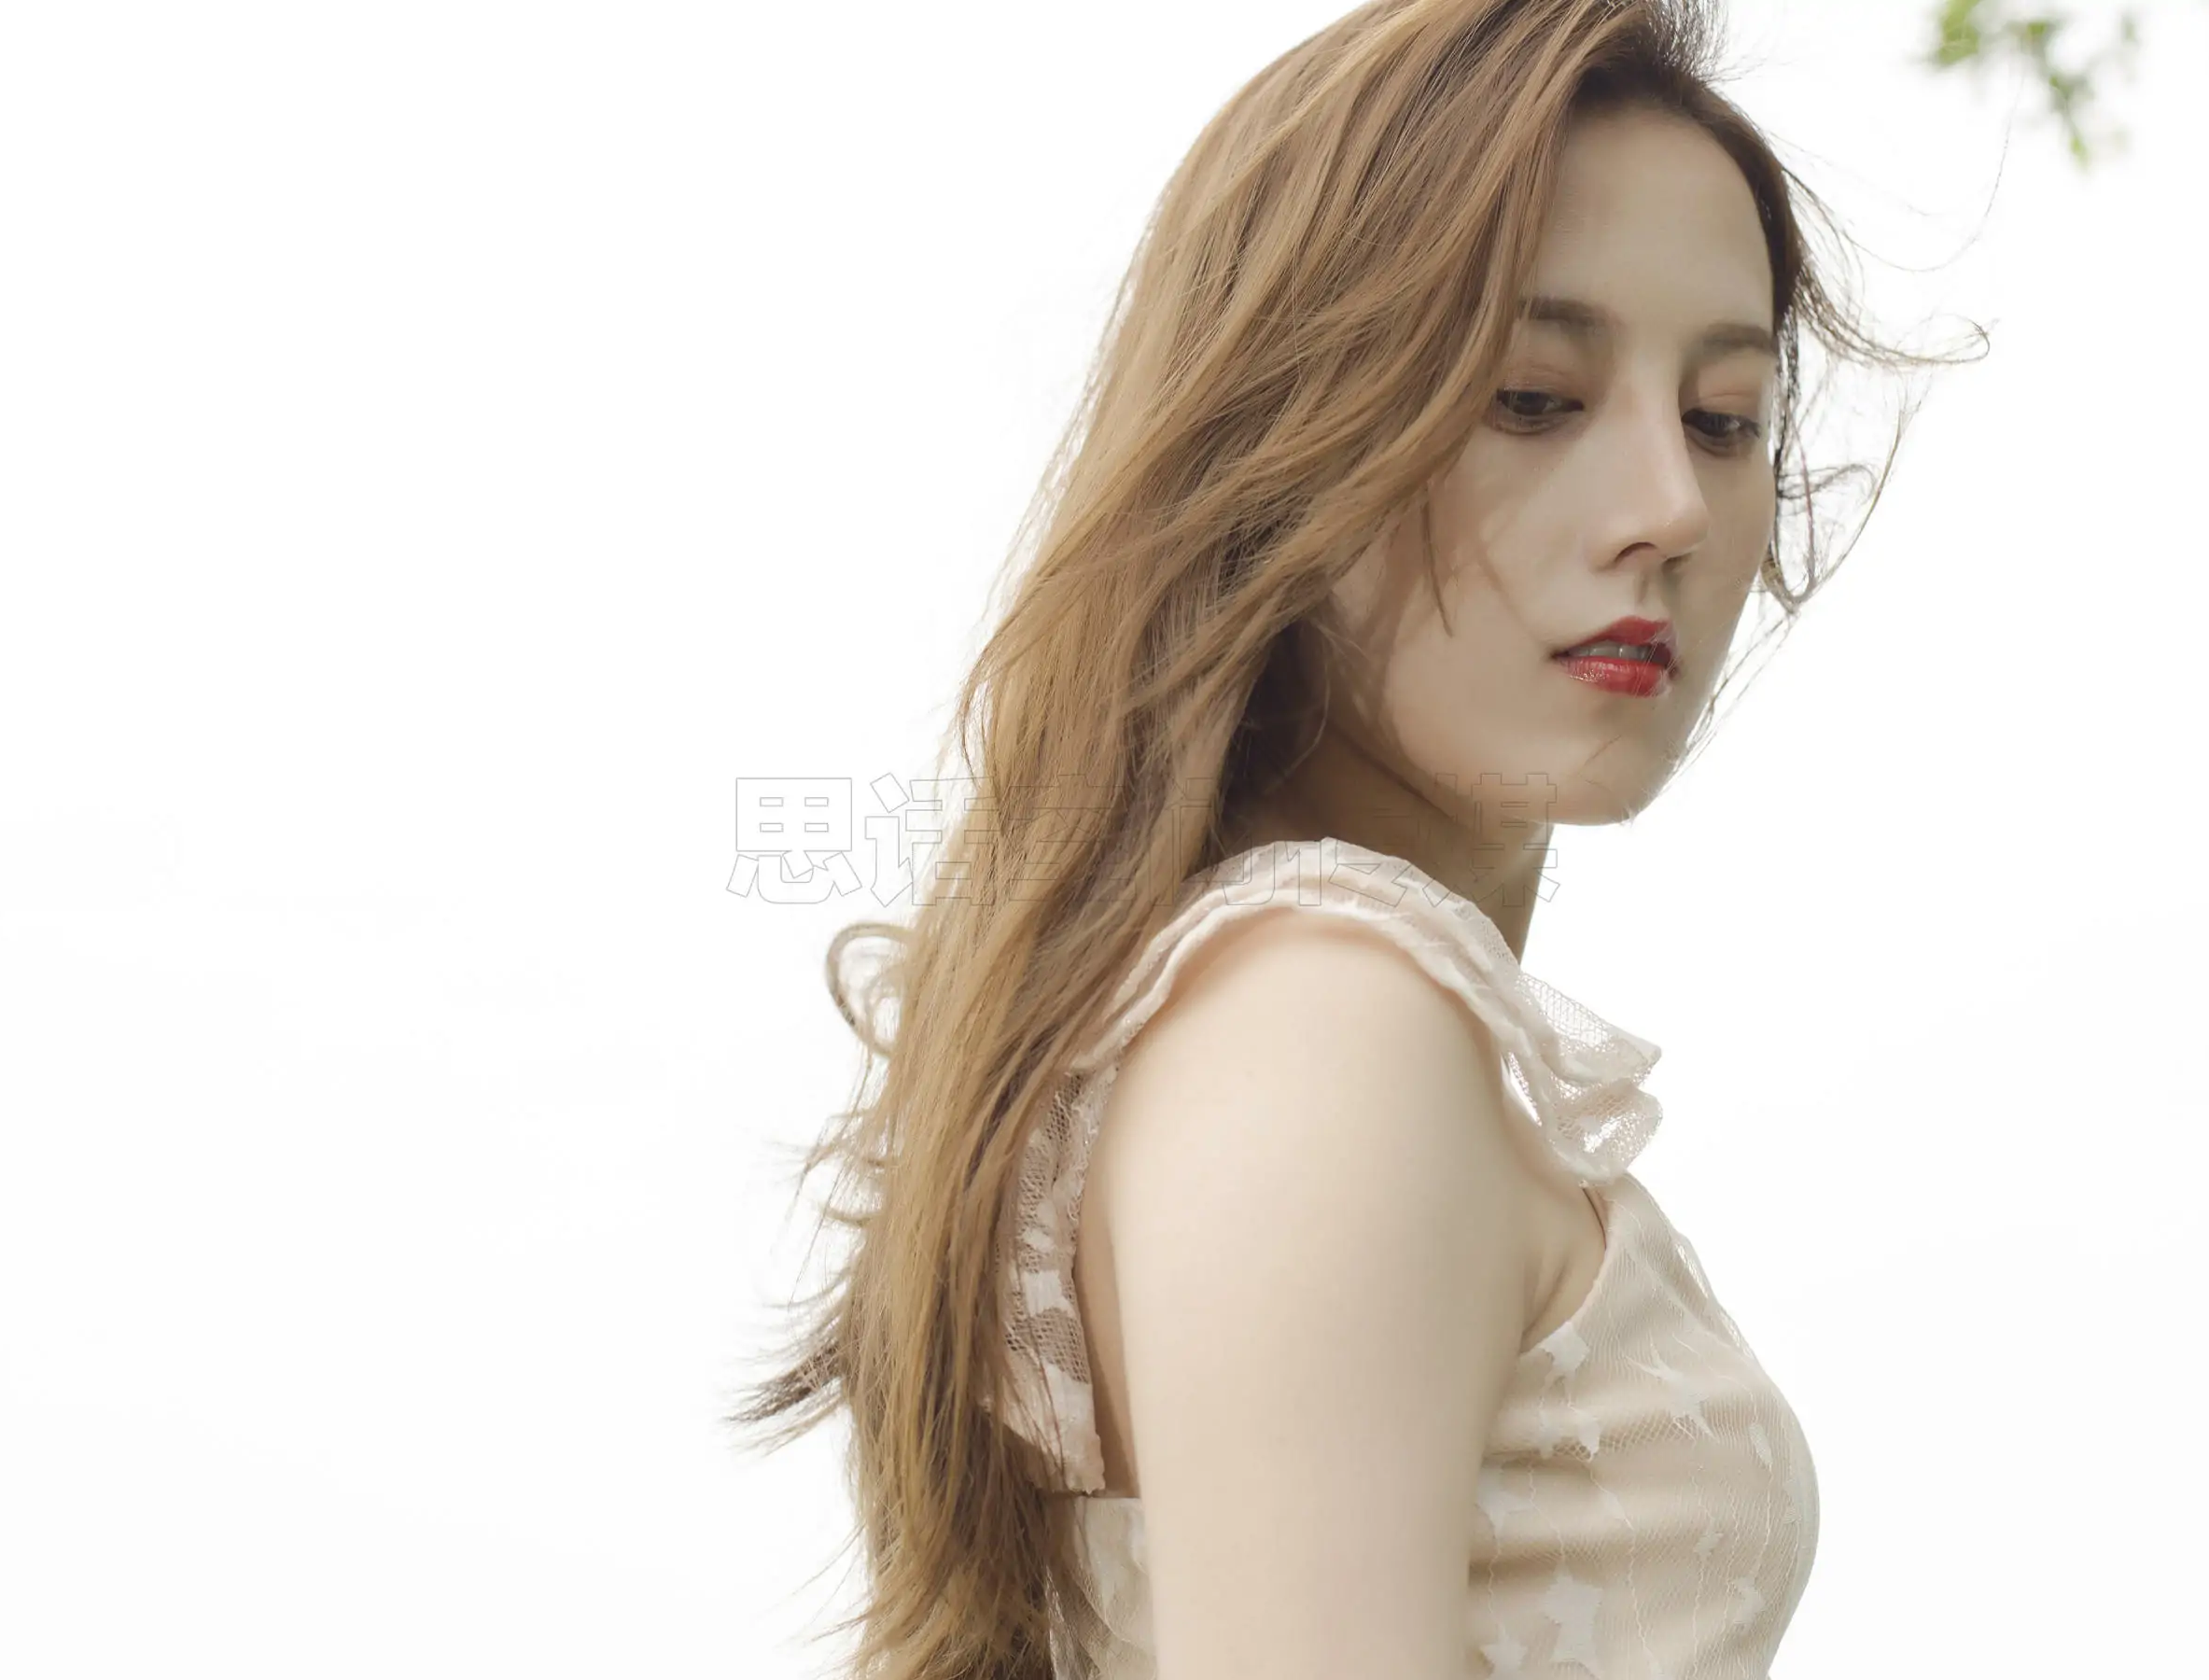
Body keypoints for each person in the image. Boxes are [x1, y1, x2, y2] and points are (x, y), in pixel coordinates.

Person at [731, 3, 1969, 1675]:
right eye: (1534, 397)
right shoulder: (1331, 1019)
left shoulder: (1249, 1015)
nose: (1671, 508)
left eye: (1725, 418)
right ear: (1284, 437)